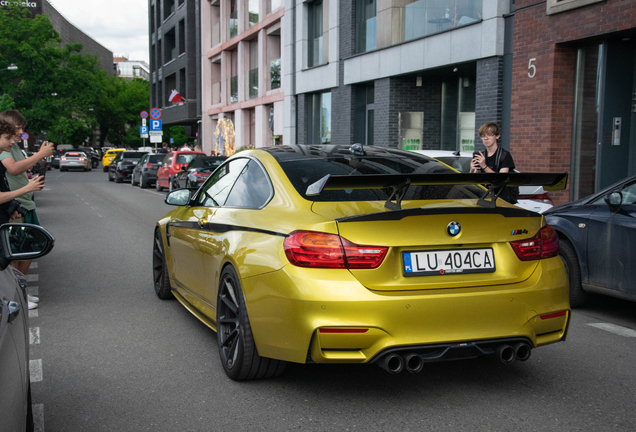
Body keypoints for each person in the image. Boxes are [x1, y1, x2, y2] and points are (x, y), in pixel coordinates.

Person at [0, 110, 54, 278]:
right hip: (17, 202)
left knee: (24, 248)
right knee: (17, 250)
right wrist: (39, 155)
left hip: (18, 204)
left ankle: (18, 287)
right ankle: (17, 288)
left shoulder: (12, 146)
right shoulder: (5, 148)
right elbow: (14, 169)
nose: (21, 133)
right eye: (18, 128)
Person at [0, 119, 46, 310]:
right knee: (18, 253)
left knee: (20, 252)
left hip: (9, 213)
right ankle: (16, 296)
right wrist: (26, 188)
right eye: (8, 137)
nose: (13, 141)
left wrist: (12, 205)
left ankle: (18, 294)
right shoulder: (4, 156)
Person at [470, 122, 518, 203]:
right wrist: (471, 170)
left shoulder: (504, 155)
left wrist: (484, 166)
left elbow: (501, 179)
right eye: (483, 136)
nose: (486, 138)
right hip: (484, 198)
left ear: (497, 136)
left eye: (489, 135)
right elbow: (474, 182)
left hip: (501, 199)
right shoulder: (481, 155)